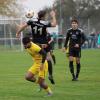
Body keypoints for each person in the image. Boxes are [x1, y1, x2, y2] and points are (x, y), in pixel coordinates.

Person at [16, 10, 57, 84]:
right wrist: (53, 15)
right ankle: (50, 75)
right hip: (44, 43)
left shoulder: (32, 20)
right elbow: (54, 24)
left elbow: (23, 27)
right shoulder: (44, 22)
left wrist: (18, 32)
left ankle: (40, 77)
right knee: (48, 59)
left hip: (35, 44)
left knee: (38, 60)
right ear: (43, 16)